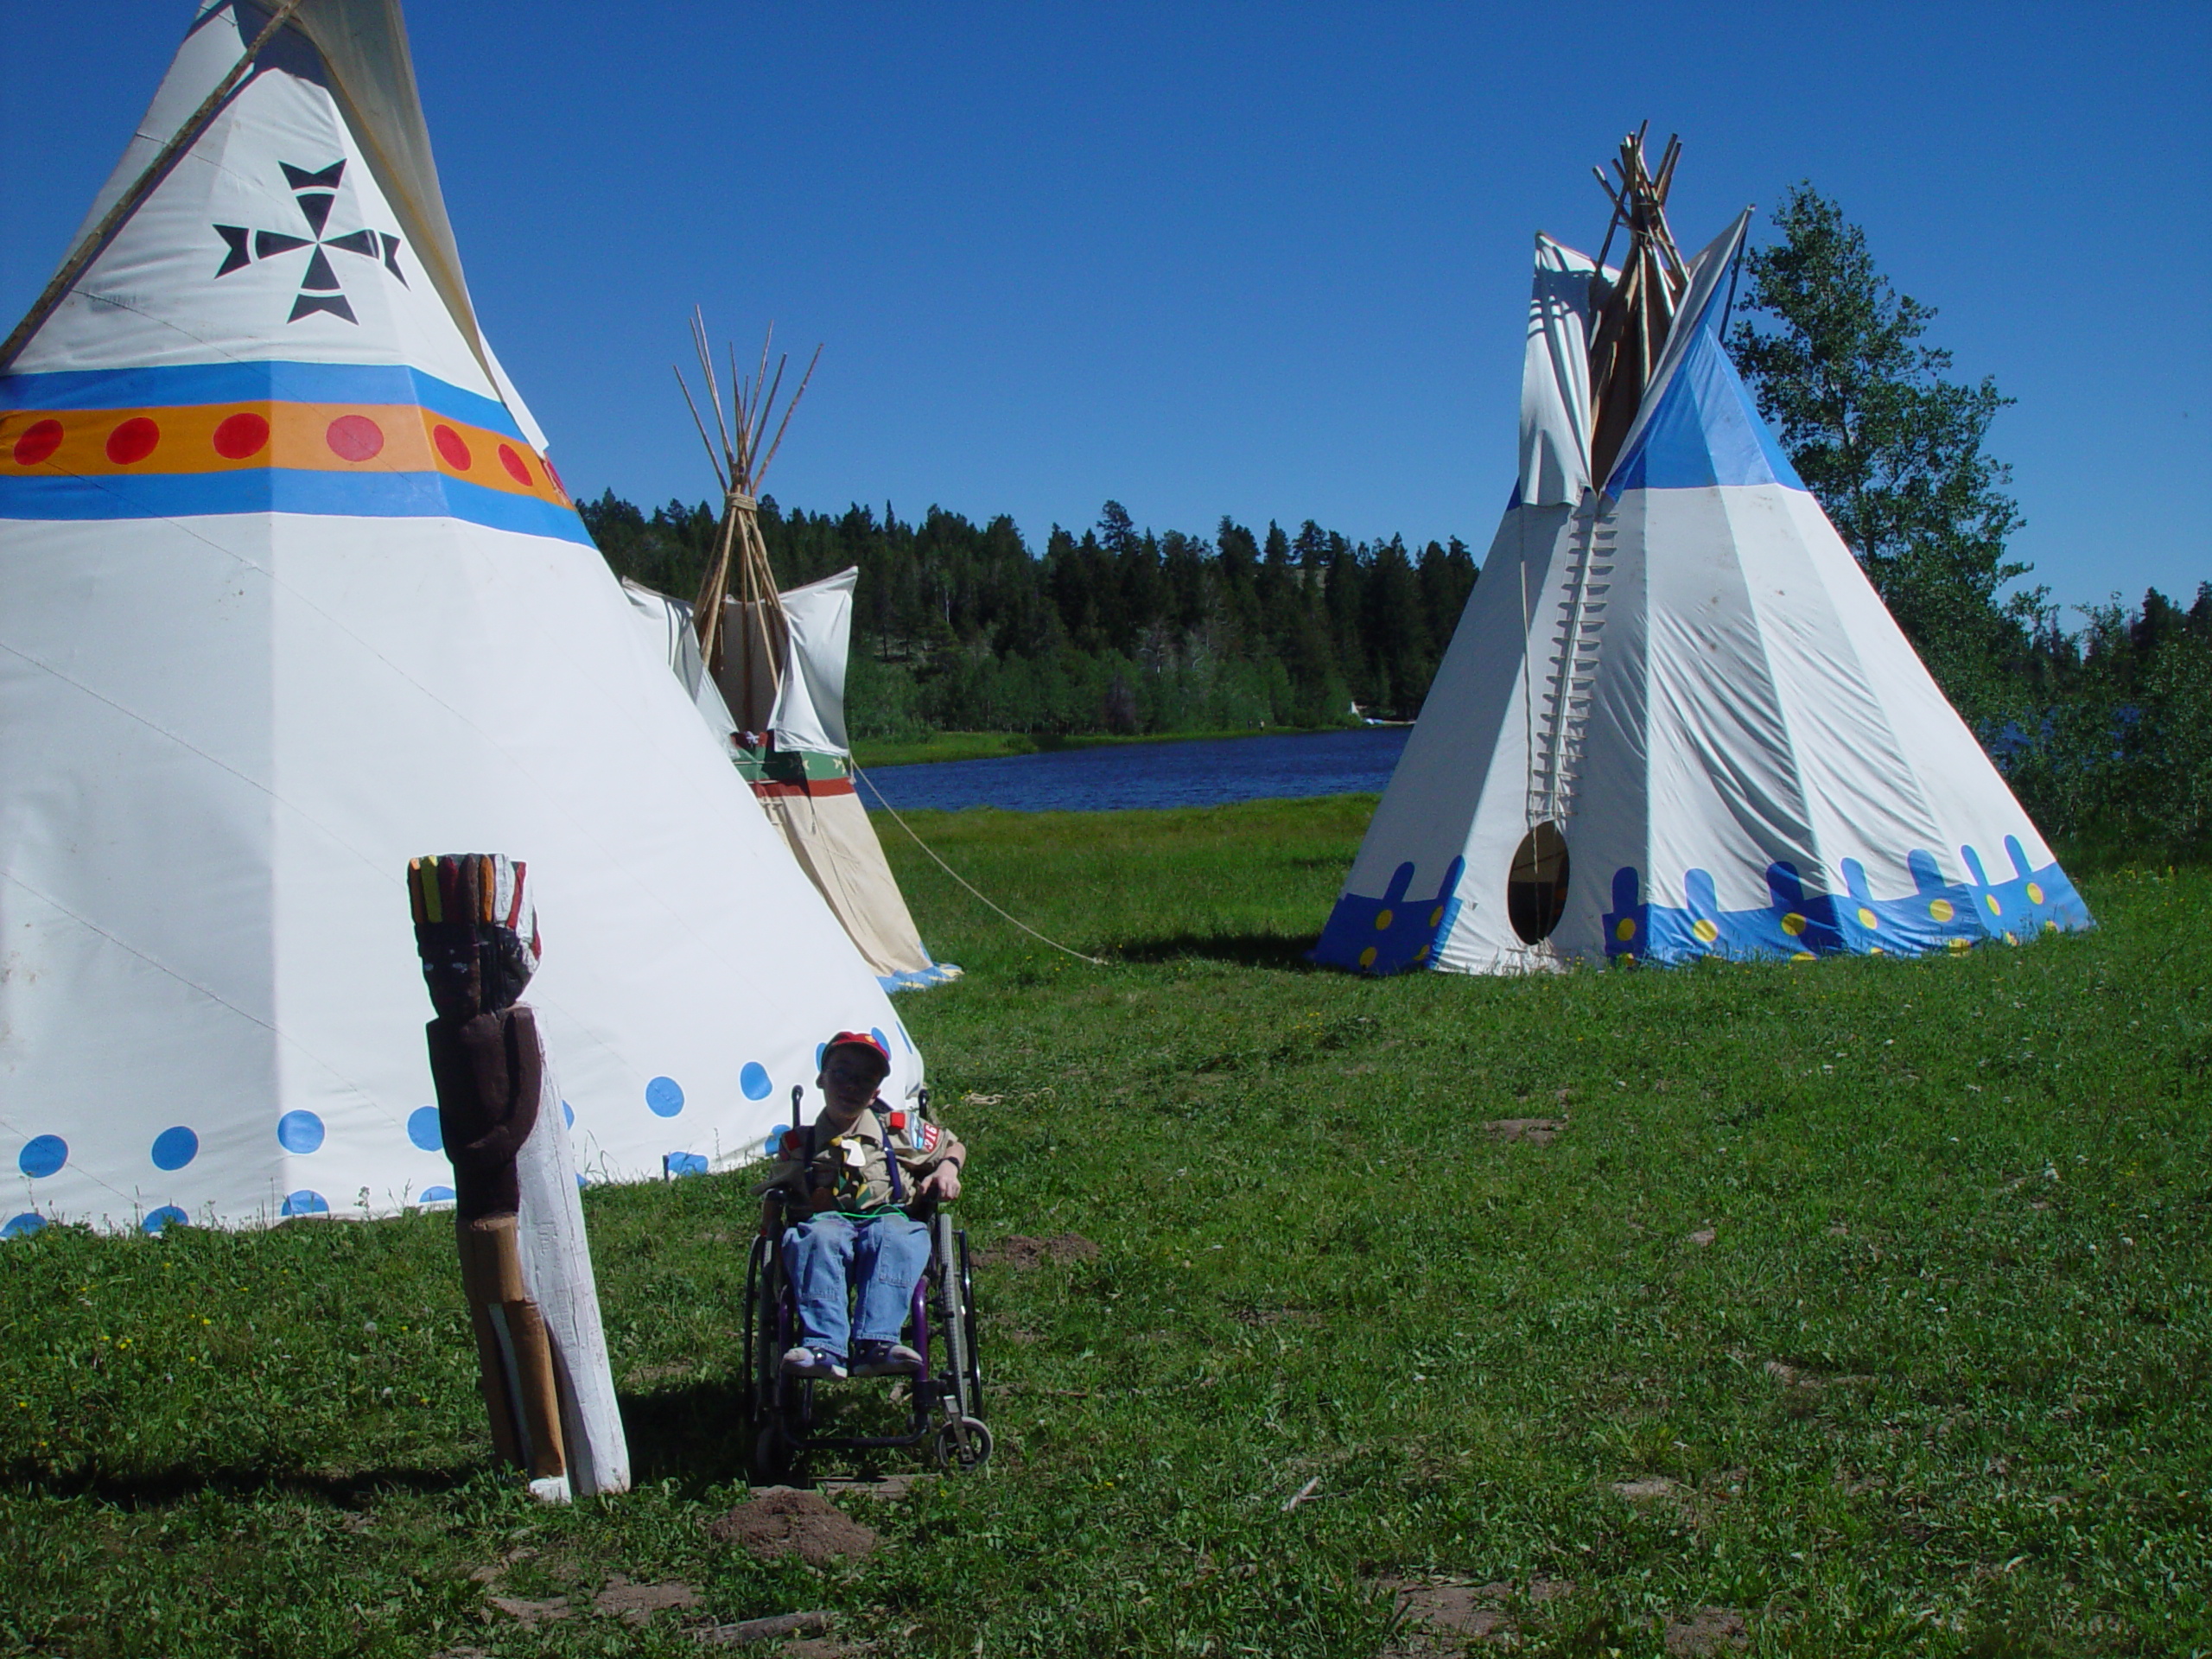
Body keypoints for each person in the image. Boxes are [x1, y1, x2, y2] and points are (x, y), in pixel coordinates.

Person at [760, 1030, 965, 1380]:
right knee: (818, 1238)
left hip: (888, 1216)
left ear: (876, 1093)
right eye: (841, 1073)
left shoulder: (899, 1130)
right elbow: (777, 1192)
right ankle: (823, 1346)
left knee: (896, 1236)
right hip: (827, 1221)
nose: (851, 1086)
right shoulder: (799, 1143)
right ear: (821, 1078)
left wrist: (947, 1168)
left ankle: (878, 1343)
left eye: (865, 1079)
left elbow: (953, 1144)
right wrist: (770, 1238)